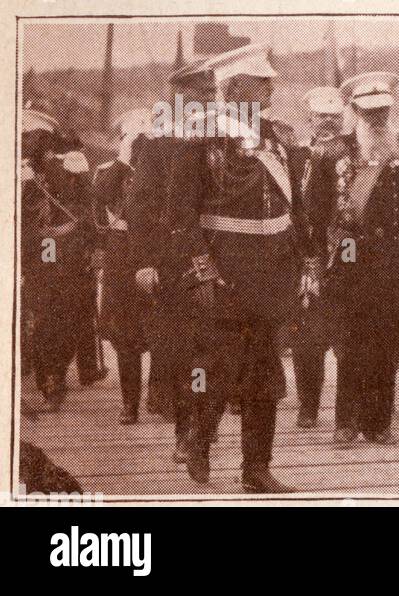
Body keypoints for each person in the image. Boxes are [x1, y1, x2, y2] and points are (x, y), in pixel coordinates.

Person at [156, 44, 304, 492]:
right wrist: (202, 267)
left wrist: (305, 259)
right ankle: (199, 440)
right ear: (235, 87)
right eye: (261, 82)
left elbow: (293, 206)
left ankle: (256, 470)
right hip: (224, 271)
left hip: (272, 272)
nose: (271, 87)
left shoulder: (276, 136)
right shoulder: (199, 137)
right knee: (215, 369)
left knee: (265, 373)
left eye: (269, 81)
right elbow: (178, 213)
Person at [307, 72, 399, 446]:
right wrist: (316, 259)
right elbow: (314, 211)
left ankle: (379, 422)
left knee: (388, 341)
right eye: (369, 113)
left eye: (383, 111)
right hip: (348, 255)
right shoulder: (332, 152)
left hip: (394, 258)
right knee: (350, 341)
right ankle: (346, 421)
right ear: (353, 112)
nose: (377, 119)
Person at [130, 59, 217, 463]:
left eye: (209, 96)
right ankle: (187, 427)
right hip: (174, 261)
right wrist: (146, 262)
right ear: (179, 100)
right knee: (185, 351)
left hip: (219, 256)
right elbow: (141, 208)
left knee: (212, 349)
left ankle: (201, 423)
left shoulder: (220, 141)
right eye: (198, 97)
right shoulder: (156, 145)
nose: (205, 103)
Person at [21, 109, 93, 412]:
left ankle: (55, 377)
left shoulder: (68, 168)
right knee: (38, 317)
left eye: (31, 138)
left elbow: (86, 210)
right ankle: (46, 378)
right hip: (34, 255)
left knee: (59, 318)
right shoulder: (22, 172)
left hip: (63, 254)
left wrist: (64, 230)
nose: (27, 143)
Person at [91, 108, 156, 424]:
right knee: (124, 334)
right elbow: (100, 197)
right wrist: (124, 158)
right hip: (120, 256)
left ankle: (161, 397)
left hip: (155, 251)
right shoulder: (109, 170)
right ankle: (130, 403)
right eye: (134, 138)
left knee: (161, 326)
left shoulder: (161, 168)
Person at [289, 86, 346, 429]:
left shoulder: (354, 156)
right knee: (307, 334)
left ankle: (351, 410)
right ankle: (308, 405)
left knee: (347, 333)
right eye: (321, 116)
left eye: (334, 116)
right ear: (309, 119)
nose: (327, 121)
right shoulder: (296, 157)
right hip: (307, 254)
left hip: (346, 255)